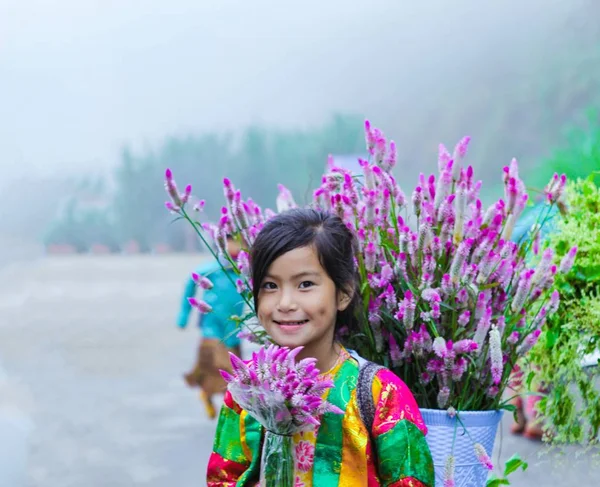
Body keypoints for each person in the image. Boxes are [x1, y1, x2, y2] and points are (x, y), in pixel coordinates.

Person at [206, 208, 434, 487]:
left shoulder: (380, 392)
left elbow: (411, 479)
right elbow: (222, 477)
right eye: (269, 285)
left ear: (344, 293)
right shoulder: (248, 388)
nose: (285, 302)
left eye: (305, 284)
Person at [177, 234, 244, 419]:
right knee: (217, 365)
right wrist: (183, 316)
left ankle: (224, 403)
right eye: (232, 241)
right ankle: (210, 397)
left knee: (235, 371)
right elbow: (190, 284)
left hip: (233, 328)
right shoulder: (210, 270)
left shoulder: (242, 272)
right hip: (211, 325)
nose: (236, 246)